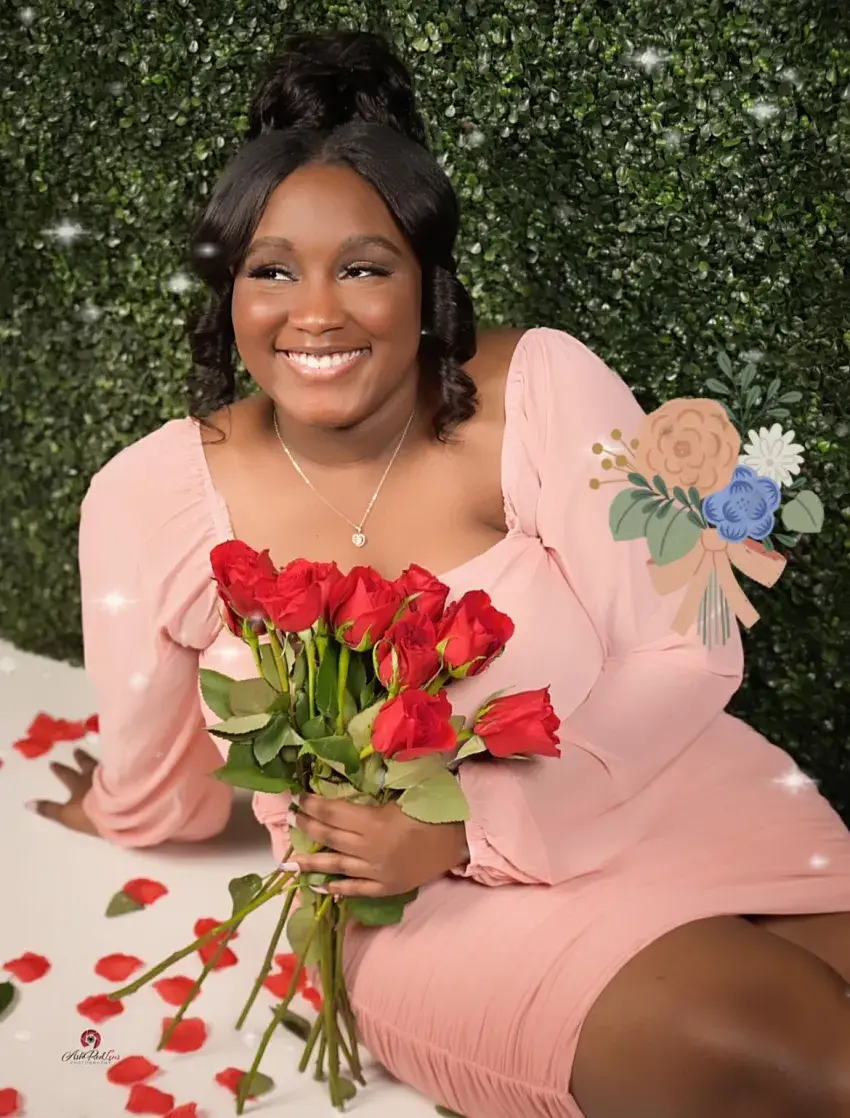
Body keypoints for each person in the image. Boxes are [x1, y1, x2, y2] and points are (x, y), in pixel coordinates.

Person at [31, 29, 850, 1118]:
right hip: (434, 910)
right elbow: (161, 771)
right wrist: (120, 808)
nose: (314, 312)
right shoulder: (150, 499)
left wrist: (469, 815)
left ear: (425, 280)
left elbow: (687, 646)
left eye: (363, 267)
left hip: (676, 795)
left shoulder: (540, 386)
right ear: (230, 288)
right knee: (803, 1058)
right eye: (272, 270)